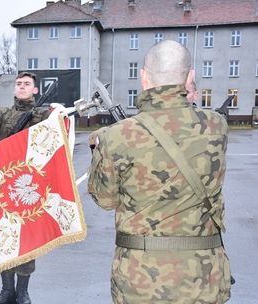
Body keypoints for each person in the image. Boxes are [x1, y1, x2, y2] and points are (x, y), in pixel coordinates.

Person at [88, 40, 231, 303]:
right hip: (205, 276)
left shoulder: (118, 136)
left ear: (143, 78)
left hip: (140, 279)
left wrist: (100, 149)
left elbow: (104, 199)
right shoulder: (217, 126)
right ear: (190, 78)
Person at [0, 71, 50, 304]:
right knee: (3, 237)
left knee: (27, 240)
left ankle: (23, 291)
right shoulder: (5, 113)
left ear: (35, 90)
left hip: (30, 187)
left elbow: (54, 133)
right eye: (18, 84)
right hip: (3, 186)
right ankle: (6, 290)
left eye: (27, 84)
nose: (22, 87)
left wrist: (52, 116)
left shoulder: (43, 115)